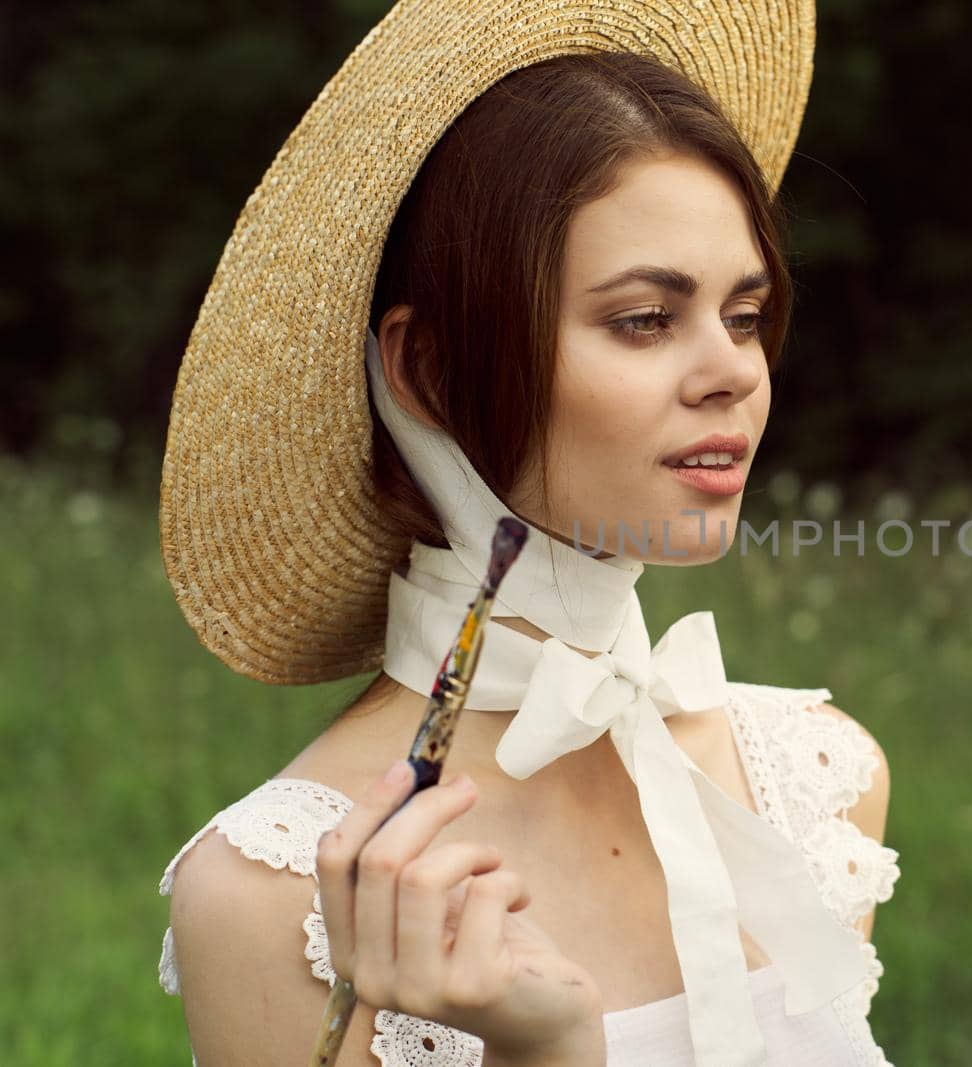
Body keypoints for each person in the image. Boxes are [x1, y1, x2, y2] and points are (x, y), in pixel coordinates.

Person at [152, 4, 899, 1065]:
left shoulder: (815, 781)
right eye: (645, 317)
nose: (735, 369)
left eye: (743, 314)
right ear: (430, 371)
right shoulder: (278, 891)